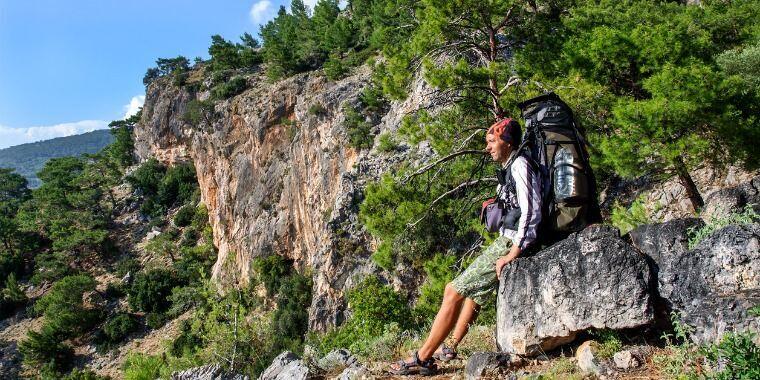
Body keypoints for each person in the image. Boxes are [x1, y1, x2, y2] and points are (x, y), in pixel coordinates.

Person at [388, 117, 543, 375]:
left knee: (452, 290)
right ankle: (449, 347)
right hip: (509, 239)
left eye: (492, 142)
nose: (487, 148)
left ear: (507, 142)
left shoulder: (520, 166)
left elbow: (532, 211)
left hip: (511, 242)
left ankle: (422, 359)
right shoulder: (511, 166)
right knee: (475, 292)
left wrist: (514, 252)